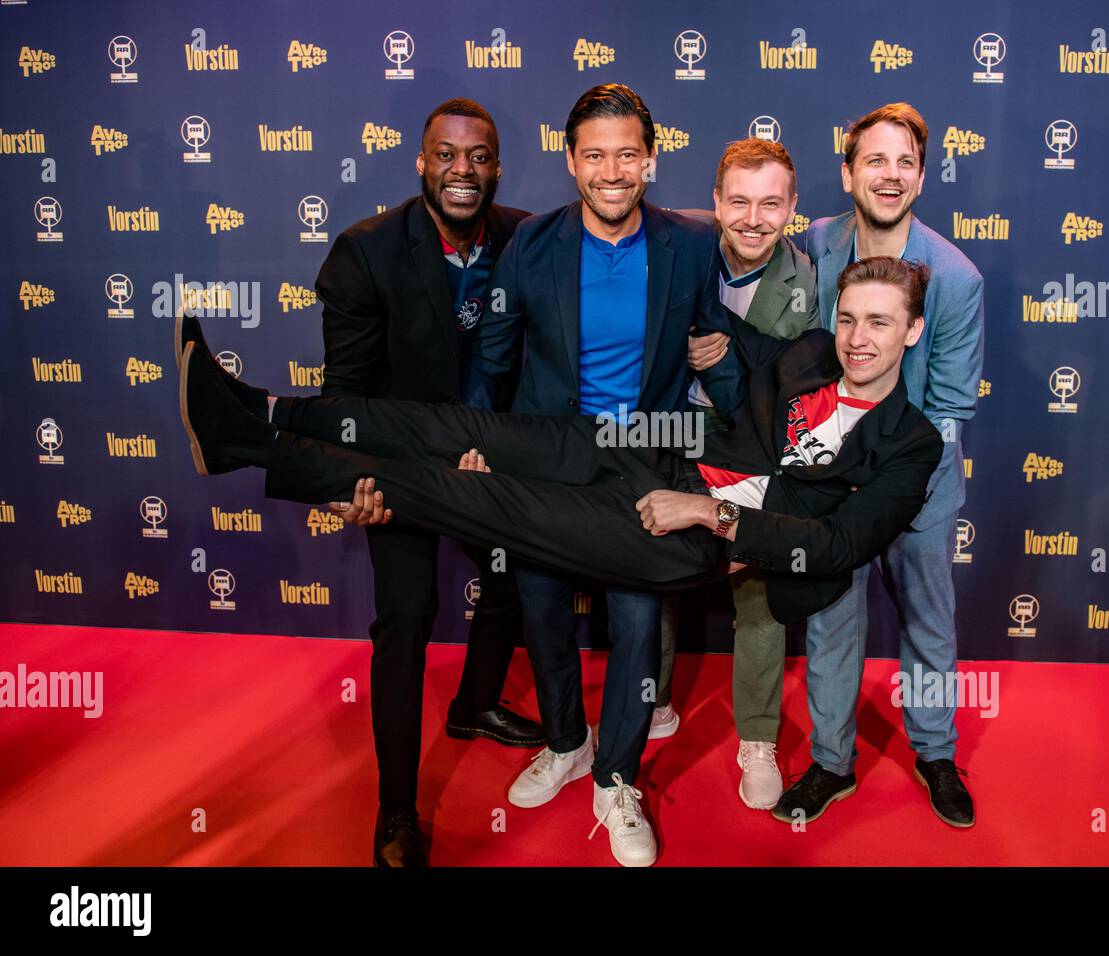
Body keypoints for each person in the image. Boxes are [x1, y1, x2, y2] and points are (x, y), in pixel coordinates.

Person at [176, 256, 944, 860]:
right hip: (663, 447)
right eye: (849, 318)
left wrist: (712, 515)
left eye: (879, 323)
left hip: (689, 537)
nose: (857, 338)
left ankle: (247, 448)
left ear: (911, 331)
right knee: (469, 430)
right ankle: (260, 407)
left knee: (485, 501)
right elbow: (724, 326)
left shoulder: (911, 443)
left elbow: (839, 545)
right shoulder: (811, 354)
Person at [461, 83, 744, 866]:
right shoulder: (533, 244)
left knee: (636, 625)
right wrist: (479, 442)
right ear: (569, 160)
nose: (611, 171)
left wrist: (746, 426)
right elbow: (493, 357)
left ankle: (617, 777)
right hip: (547, 460)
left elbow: (712, 344)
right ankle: (566, 742)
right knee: (544, 612)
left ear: (650, 159)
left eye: (627, 154)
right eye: (595, 155)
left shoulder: (691, 245)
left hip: (644, 461)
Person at [313, 98, 543, 867]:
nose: (461, 170)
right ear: (421, 163)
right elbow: (346, 393)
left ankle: (474, 705)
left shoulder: (525, 238)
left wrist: (499, 450)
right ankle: (396, 809)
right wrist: (354, 478)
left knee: (515, 574)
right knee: (406, 619)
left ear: (497, 166)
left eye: (477, 156)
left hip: (489, 459)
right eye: (446, 155)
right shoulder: (366, 253)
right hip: (400, 468)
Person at [778, 102, 985, 828]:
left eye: (905, 162)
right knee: (832, 623)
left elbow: (950, 407)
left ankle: (936, 753)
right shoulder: (814, 244)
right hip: (831, 481)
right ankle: (831, 763)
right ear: (848, 172)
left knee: (928, 622)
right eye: (875, 159)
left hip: (919, 486)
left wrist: (887, 488)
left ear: (922, 177)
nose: (890, 175)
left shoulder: (955, 278)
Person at [656, 138, 820, 813]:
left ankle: (756, 737)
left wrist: (724, 365)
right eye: (740, 202)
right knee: (653, 572)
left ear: (793, 207)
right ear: (716, 201)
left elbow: (795, 397)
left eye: (771, 204)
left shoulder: (808, 285)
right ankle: (654, 702)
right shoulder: (678, 245)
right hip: (668, 438)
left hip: (752, 449)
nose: (754, 219)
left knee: (757, 595)